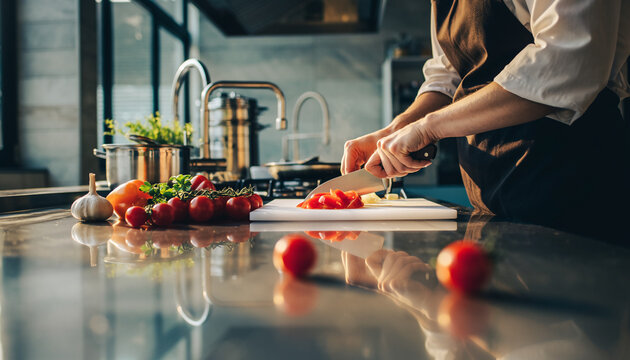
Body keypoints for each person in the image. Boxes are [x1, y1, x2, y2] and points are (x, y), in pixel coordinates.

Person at [342, 0, 630, 239]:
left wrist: (429, 127)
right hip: (489, 204)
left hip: (573, 189)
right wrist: (398, 128)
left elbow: (566, 61)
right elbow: (447, 78)